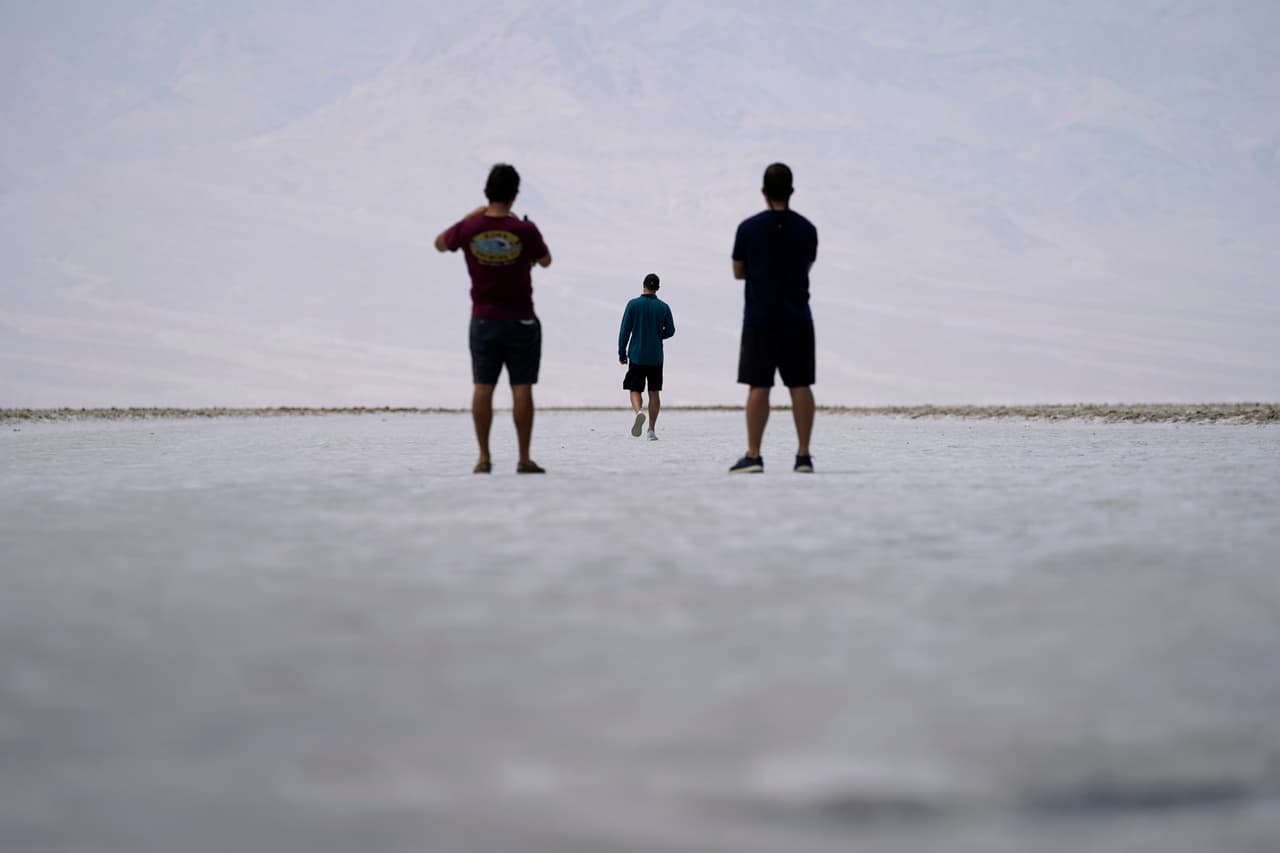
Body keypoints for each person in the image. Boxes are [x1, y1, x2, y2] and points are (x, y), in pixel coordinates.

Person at [435, 163, 552, 474]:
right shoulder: (525, 231)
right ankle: (524, 459)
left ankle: (484, 458)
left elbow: (440, 243)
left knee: (483, 386)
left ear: (487, 192)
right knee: (522, 386)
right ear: (514, 195)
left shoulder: (470, 229)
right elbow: (546, 260)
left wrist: (471, 218)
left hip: (483, 319)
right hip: (521, 319)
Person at [728, 162, 818, 473]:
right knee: (801, 385)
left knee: (758, 386)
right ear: (791, 191)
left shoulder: (748, 228)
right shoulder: (807, 229)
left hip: (760, 319)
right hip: (797, 319)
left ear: (764, 191)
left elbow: (738, 271)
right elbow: (806, 266)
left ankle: (754, 454)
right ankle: (803, 455)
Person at [617, 273, 676, 440]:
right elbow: (671, 330)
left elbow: (624, 331)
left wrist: (622, 352)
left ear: (643, 285)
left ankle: (638, 412)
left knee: (635, 389)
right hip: (656, 356)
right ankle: (651, 430)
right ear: (657, 288)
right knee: (654, 391)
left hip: (636, 355)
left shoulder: (633, 305)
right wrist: (657, 335)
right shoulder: (663, 307)